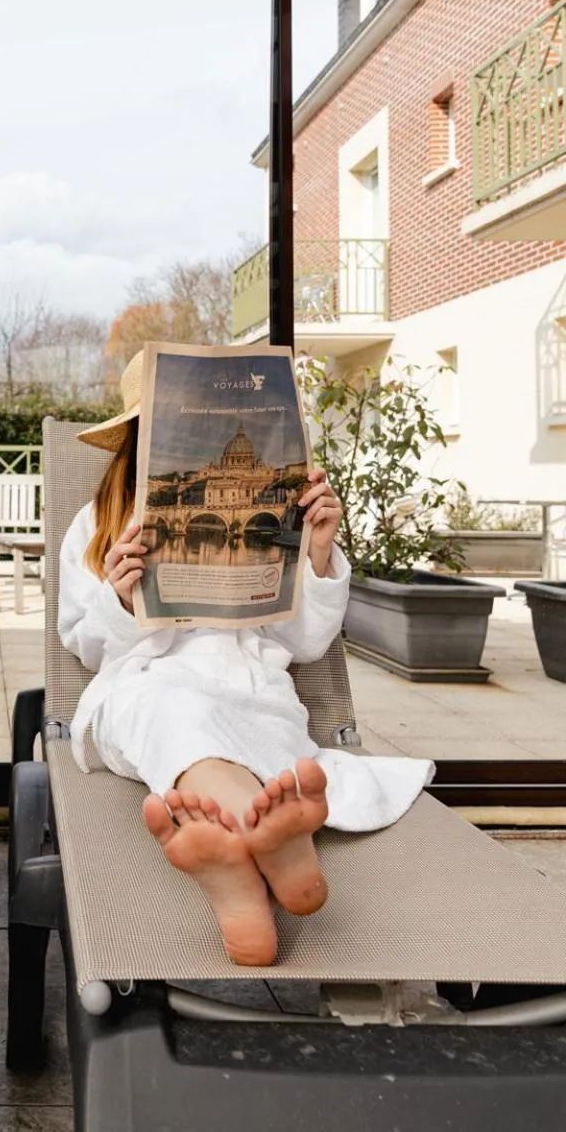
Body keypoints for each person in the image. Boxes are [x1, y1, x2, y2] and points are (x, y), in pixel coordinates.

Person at [60, 351, 434, 968]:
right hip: (144, 684)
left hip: (252, 691)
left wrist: (316, 554)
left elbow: (306, 644)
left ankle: (237, 858)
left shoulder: (273, 503)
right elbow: (86, 641)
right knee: (168, 711)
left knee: (248, 726)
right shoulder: (95, 524)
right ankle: (266, 839)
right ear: (136, 441)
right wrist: (121, 600)